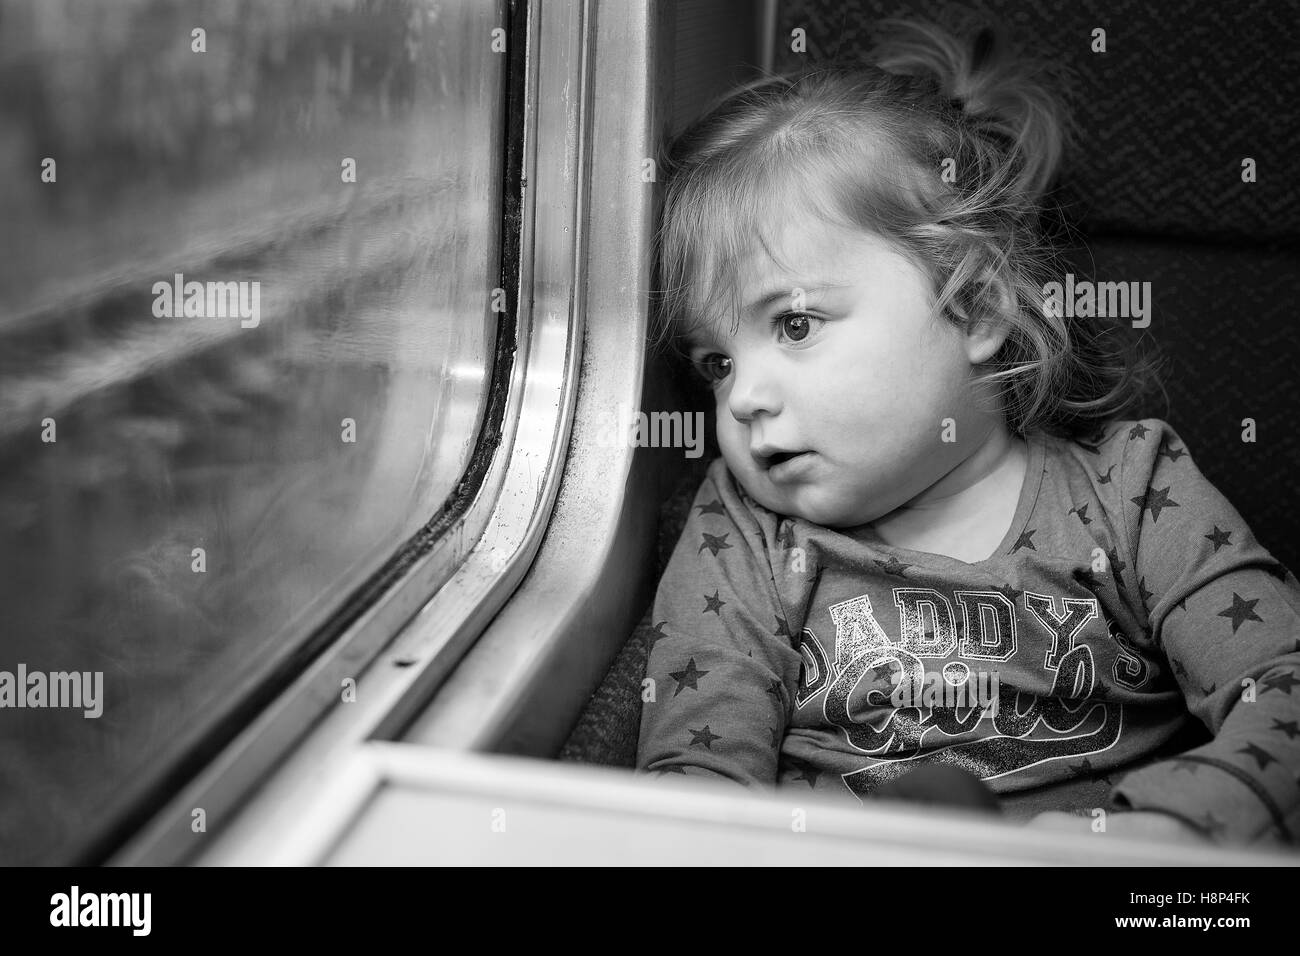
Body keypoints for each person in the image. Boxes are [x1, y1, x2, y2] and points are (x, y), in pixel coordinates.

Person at [634, 17, 1300, 847]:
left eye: (796, 324)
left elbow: (1283, 686)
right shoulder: (744, 529)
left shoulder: (1133, 491)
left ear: (975, 306)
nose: (742, 400)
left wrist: (1170, 831)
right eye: (715, 363)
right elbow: (697, 783)